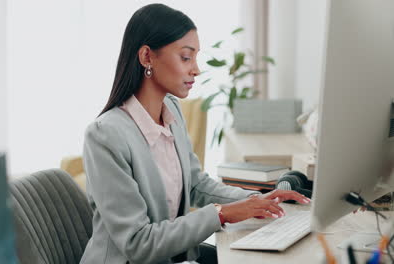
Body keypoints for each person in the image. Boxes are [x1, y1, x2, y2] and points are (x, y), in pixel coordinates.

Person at [80, 4, 310, 264]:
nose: (196, 69)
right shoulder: (105, 135)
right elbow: (137, 242)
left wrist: (256, 200)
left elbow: (195, 183)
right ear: (147, 57)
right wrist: (221, 214)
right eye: (186, 57)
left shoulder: (172, 111)